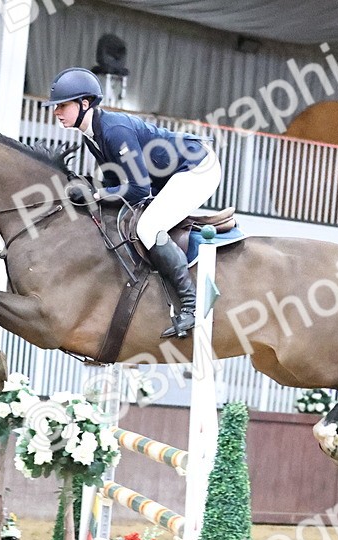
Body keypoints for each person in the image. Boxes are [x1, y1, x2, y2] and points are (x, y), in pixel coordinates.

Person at [43, 67, 222, 339]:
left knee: (148, 228)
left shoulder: (113, 131)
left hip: (197, 167)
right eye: (56, 106)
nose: (56, 112)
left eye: (62, 106)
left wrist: (95, 194)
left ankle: (191, 305)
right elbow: (118, 182)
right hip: (170, 174)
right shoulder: (94, 135)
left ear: (84, 104)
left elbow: (138, 189)